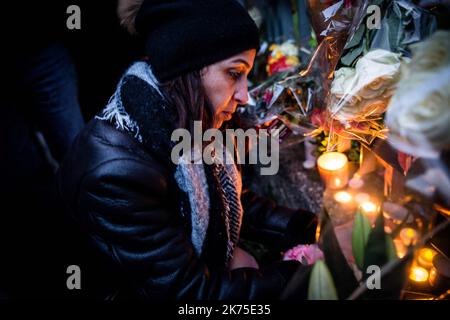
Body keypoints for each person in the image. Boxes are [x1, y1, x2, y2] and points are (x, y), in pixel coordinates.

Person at [57, 0, 317, 300]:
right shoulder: (115, 176)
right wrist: (305, 271)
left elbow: (225, 195)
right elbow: (190, 293)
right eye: (235, 73)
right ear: (189, 68)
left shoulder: (182, 115)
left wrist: (312, 228)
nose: (245, 96)